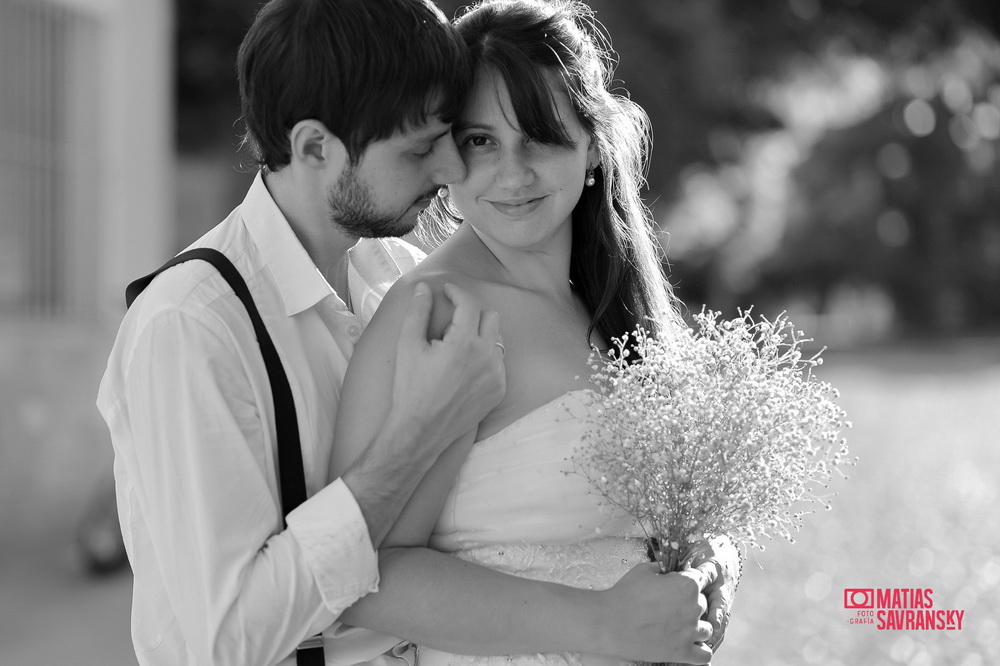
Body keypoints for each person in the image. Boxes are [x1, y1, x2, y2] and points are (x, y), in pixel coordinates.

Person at [98, 1, 731, 665]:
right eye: (426, 148)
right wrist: (418, 432)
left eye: (449, 139)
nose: (452, 172)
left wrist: (711, 568)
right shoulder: (192, 325)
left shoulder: (388, 266)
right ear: (316, 147)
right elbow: (226, 639)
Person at [330, 1, 740, 665]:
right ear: (443, 156)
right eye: (480, 141)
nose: (512, 174)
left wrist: (714, 570)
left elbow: (668, 528)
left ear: (591, 145)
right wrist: (601, 625)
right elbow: (363, 579)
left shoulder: (613, 304)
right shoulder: (438, 314)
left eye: (540, 136)